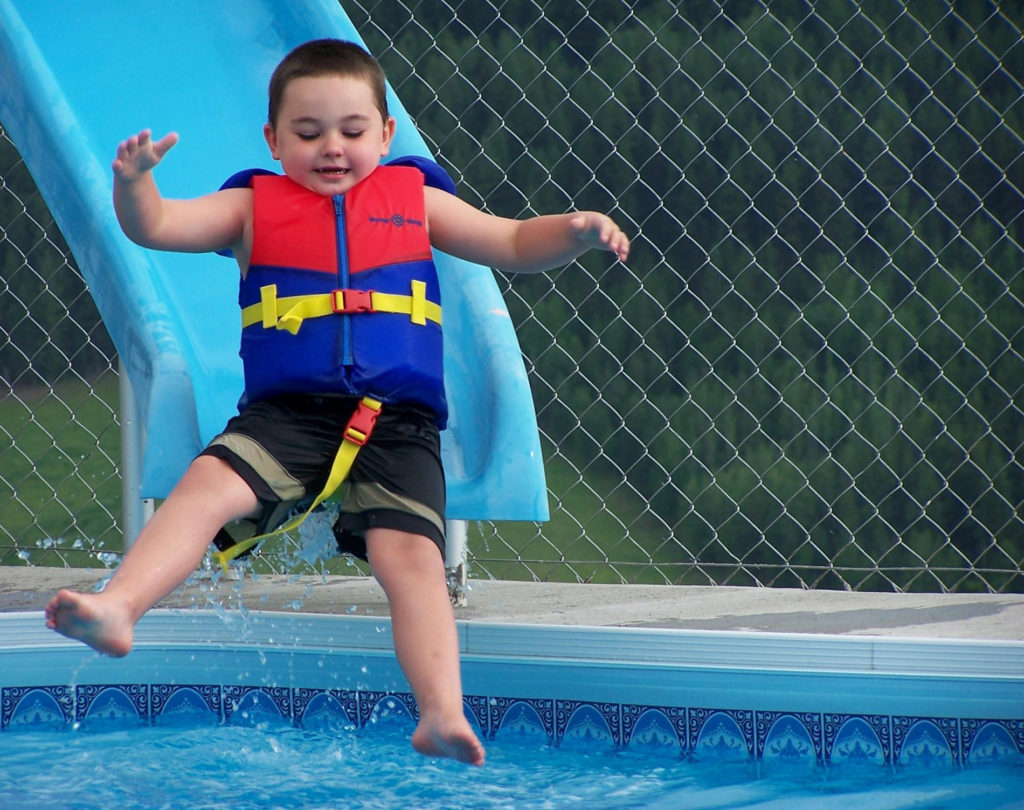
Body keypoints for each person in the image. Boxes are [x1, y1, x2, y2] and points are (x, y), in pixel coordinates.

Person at [45, 39, 629, 767]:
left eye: (353, 132)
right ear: (273, 140)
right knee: (202, 489)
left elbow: (511, 242)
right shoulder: (250, 207)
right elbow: (157, 228)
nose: (332, 148)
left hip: (397, 423)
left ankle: (441, 711)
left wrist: (574, 232)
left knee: (411, 560)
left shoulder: (418, 202)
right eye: (308, 132)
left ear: (386, 136)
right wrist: (135, 185)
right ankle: (118, 608)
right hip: (286, 415)